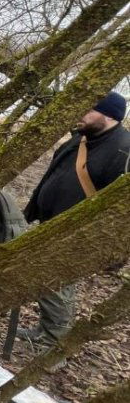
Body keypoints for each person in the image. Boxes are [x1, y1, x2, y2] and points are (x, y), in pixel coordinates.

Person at [19, 91, 130, 342]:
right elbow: (53, 173)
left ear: (109, 116)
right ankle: (47, 329)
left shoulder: (125, 149)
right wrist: (35, 208)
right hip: (52, 223)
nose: (80, 114)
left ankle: (54, 341)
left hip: (79, 233)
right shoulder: (79, 140)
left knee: (55, 282)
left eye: (88, 109)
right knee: (46, 279)